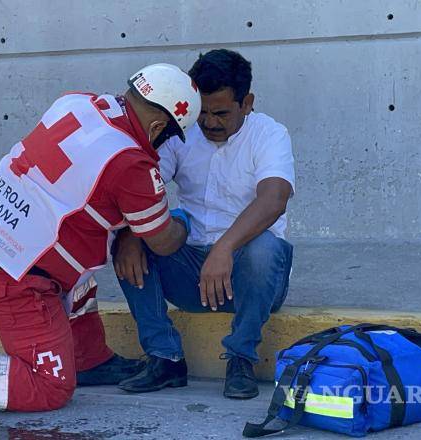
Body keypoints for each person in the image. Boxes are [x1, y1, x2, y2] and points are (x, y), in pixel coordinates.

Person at [0, 63, 201, 420]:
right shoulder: (132, 164)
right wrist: (183, 219)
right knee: (50, 386)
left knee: (81, 260)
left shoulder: (78, 103)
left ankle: (88, 358)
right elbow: (163, 241)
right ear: (157, 126)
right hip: (12, 274)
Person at [114, 49, 295, 399]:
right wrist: (128, 235)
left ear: (247, 103)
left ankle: (241, 359)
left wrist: (225, 248)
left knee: (263, 248)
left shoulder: (270, 134)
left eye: (222, 113)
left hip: (254, 280)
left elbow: (274, 199)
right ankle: (165, 358)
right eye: (204, 112)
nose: (210, 122)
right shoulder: (181, 134)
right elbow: (138, 187)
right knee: (129, 242)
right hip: (193, 274)